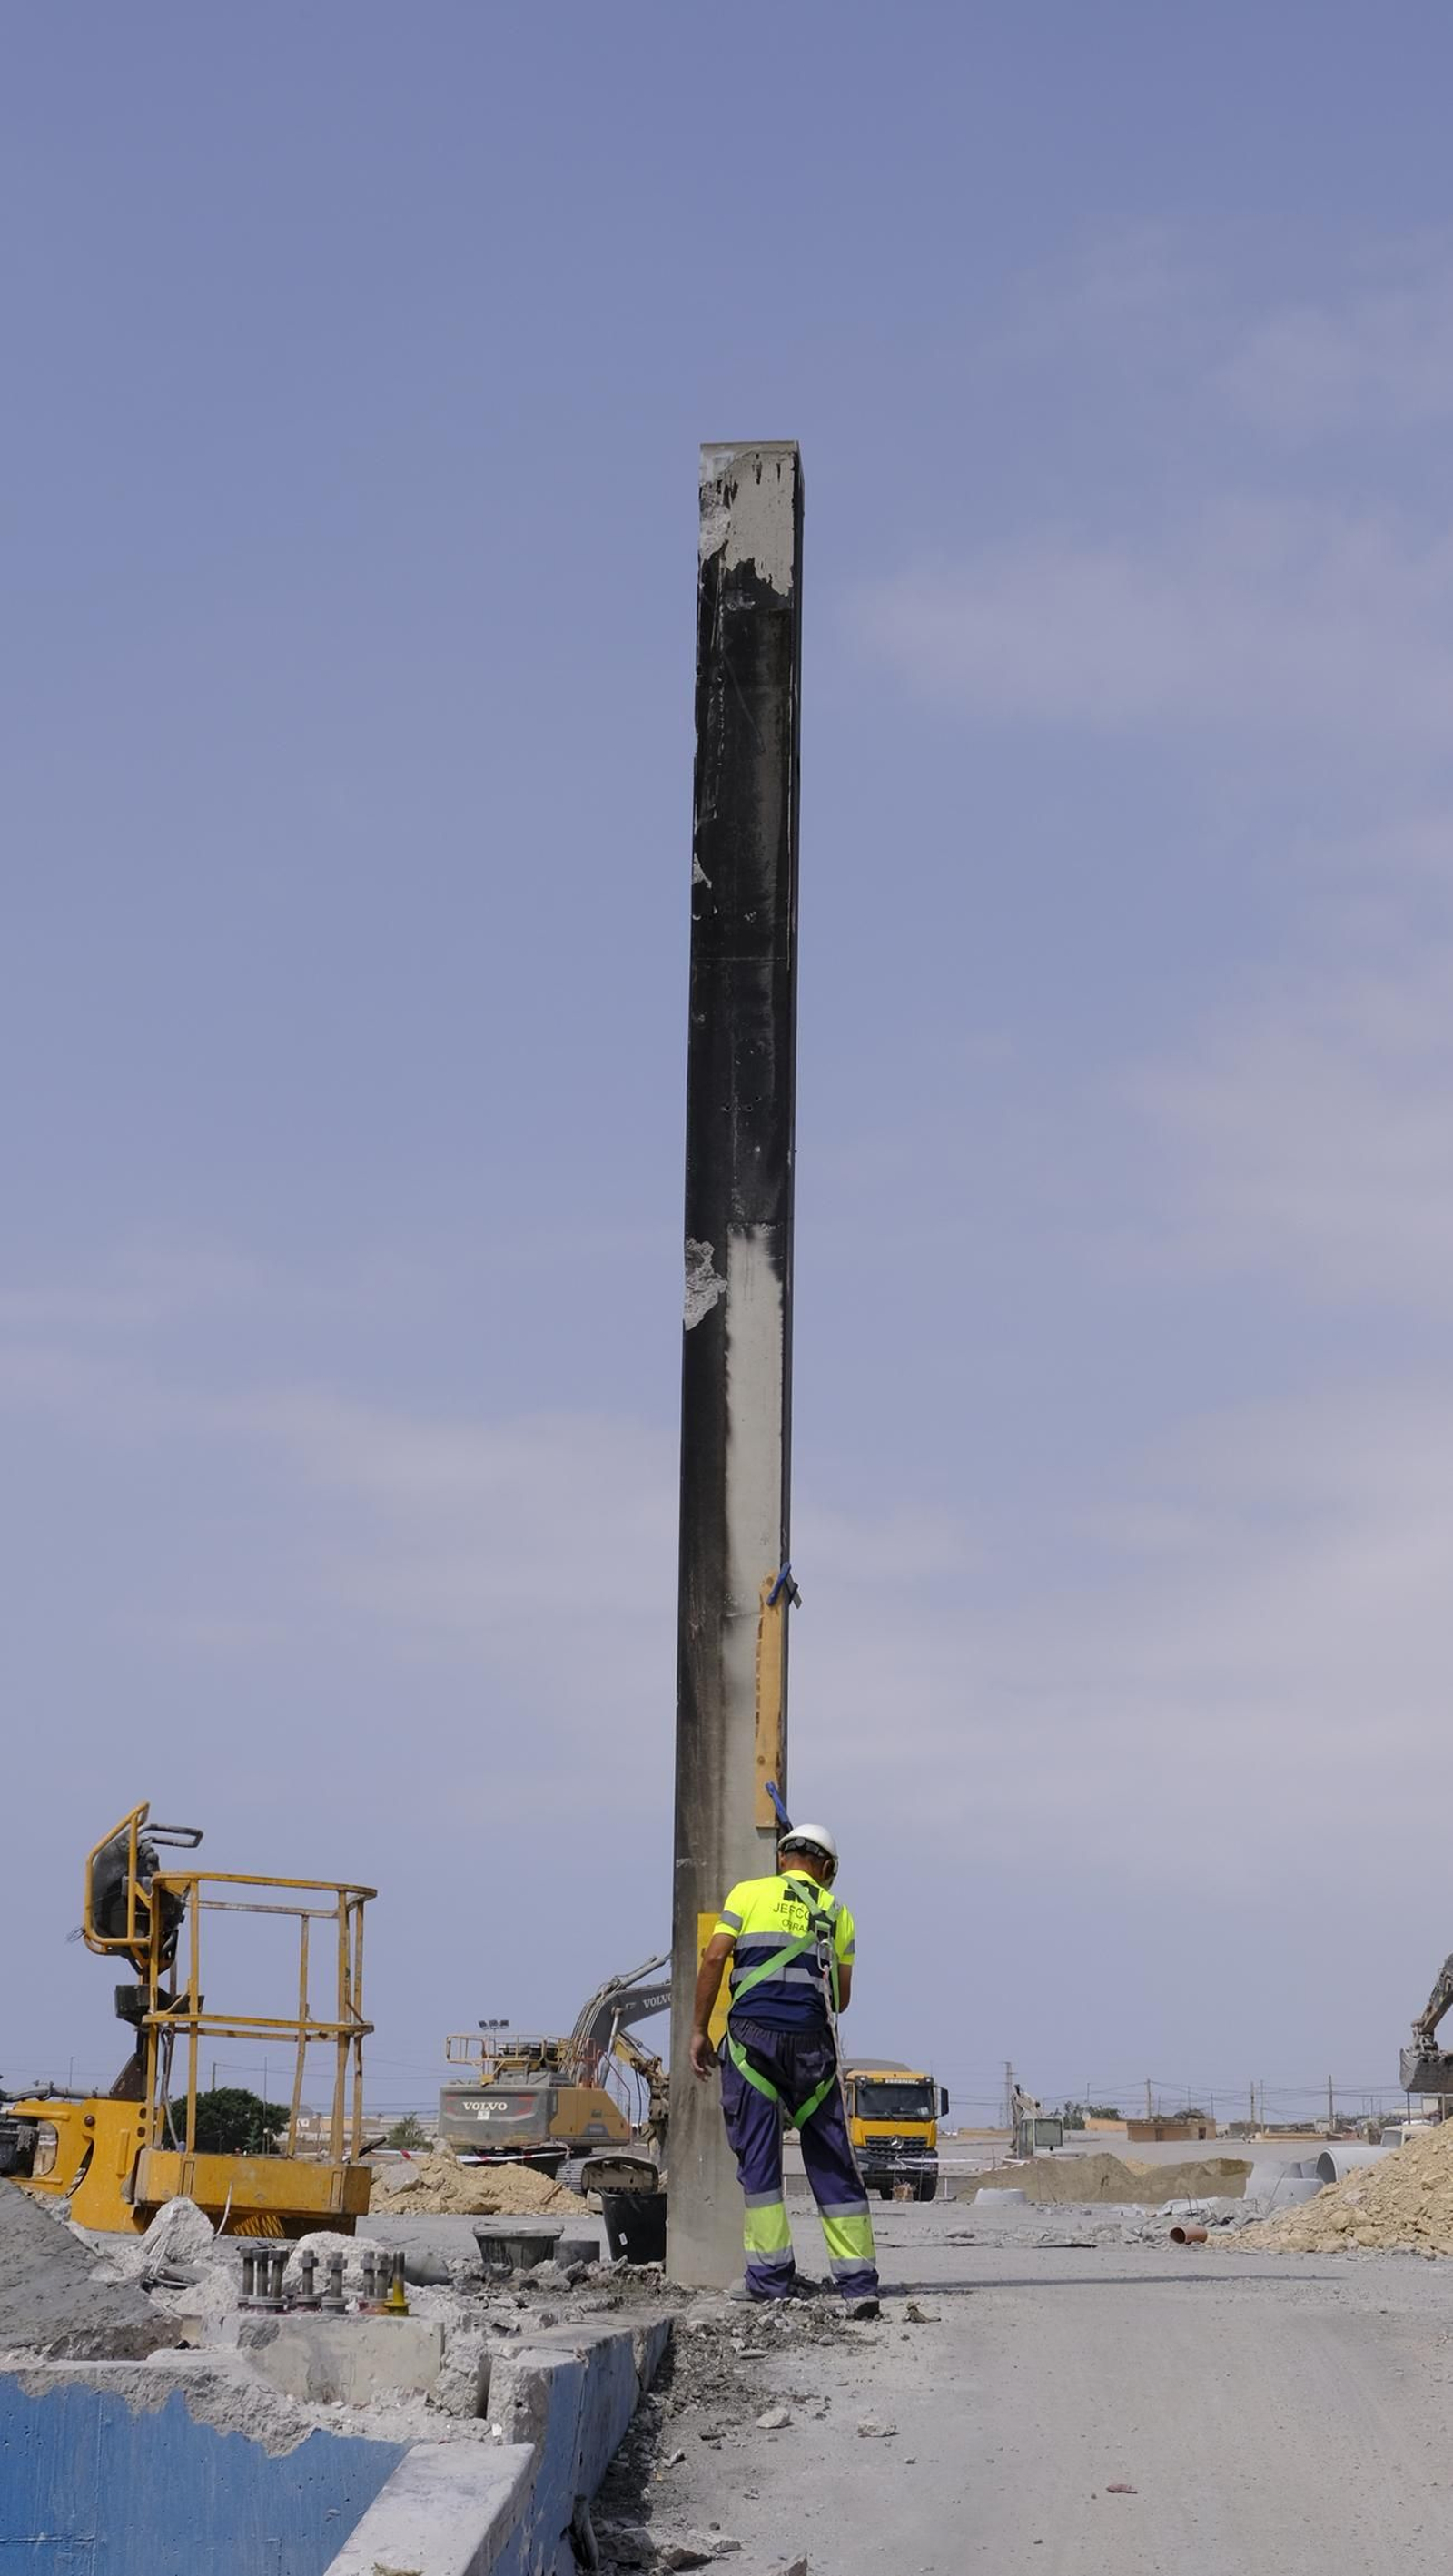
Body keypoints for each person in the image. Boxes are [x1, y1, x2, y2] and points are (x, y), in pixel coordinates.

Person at [690, 1821, 880, 2314]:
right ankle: (858, 2284)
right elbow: (841, 1999)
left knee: (760, 2160)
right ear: (827, 1868)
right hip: (812, 2048)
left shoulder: (747, 1894)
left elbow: (714, 1960)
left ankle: (770, 2280)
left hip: (752, 2044)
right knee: (832, 2157)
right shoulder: (837, 1913)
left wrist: (698, 2031)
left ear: (782, 1860)